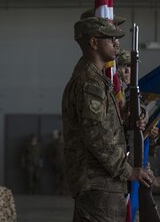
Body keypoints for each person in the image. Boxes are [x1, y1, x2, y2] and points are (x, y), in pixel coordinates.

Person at [62, 16, 152, 221]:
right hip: (98, 183)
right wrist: (128, 171)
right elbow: (96, 136)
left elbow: (100, 127)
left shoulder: (95, 79)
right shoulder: (90, 84)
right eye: (110, 38)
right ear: (94, 43)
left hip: (100, 182)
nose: (116, 42)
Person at [49, 130, 67, 195]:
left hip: (65, 162)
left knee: (64, 177)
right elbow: (51, 154)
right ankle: (58, 190)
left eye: (62, 135)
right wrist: (52, 161)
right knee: (57, 177)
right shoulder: (55, 143)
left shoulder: (67, 143)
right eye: (60, 135)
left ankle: (64, 190)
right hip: (57, 162)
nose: (61, 136)